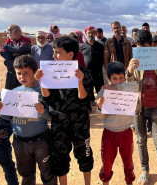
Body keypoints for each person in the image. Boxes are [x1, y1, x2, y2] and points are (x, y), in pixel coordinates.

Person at [34, 36, 94, 185]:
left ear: (71, 55)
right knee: (60, 156)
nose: (54, 56)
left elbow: (84, 99)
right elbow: (49, 99)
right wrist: (42, 82)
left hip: (80, 121)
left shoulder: (84, 74)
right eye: (54, 52)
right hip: (59, 120)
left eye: (57, 52)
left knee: (84, 153)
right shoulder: (50, 72)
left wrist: (79, 82)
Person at [0, 55, 57, 185]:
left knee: (48, 174)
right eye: (19, 73)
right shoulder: (13, 93)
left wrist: (42, 111)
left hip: (41, 141)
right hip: (20, 142)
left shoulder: (43, 91)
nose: (22, 77)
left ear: (35, 72)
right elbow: (6, 118)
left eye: (26, 73)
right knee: (26, 175)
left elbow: (50, 117)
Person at [126, 30, 157, 185]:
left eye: (144, 47)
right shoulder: (133, 62)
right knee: (141, 141)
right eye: (138, 48)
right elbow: (129, 85)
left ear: (152, 45)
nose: (141, 51)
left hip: (155, 107)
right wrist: (130, 71)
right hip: (139, 108)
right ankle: (145, 170)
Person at [96, 61, 138, 185]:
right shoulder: (103, 93)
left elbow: (135, 86)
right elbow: (101, 116)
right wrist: (99, 106)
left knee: (128, 161)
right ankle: (105, 182)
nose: (118, 81)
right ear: (108, 78)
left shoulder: (129, 88)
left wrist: (116, 87)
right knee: (107, 161)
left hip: (126, 132)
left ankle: (129, 181)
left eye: (121, 78)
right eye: (114, 79)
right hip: (109, 133)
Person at [0, 73, 19, 185]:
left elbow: (10, 121)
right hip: (2, 140)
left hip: (2, 142)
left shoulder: (4, 98)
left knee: (8, 167)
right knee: (9, 168)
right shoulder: (4, 98)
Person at [0, 24, 31, 90]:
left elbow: (19, 49)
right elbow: (2, 52)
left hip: (23, 73)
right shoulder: (8, 41)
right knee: (9, 93)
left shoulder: (26, 40)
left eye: (9, 32)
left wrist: (8, 48)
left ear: (16, 32)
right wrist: (12, 55)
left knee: (22, 93)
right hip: (11, 72)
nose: (8, 34)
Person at [80, 26, 105, 94]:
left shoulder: (101, 46)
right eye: (89, 33)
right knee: (88, 92)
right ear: (86, 34)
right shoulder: (82, 46)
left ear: (95, 34)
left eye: (92, 33)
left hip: (98, 73)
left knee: (100, 92)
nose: (91, 34)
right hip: (87, 73)